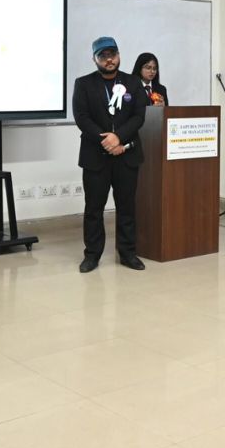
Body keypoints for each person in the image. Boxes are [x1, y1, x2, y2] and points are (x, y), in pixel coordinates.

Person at [73, 36, 146, 273]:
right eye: (103, 56)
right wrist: (106, 140)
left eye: (112, 54)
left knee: (127, 207)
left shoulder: (133, 82)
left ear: (118, 55)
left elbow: (139, 116)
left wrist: (119, 137)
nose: (109, 60)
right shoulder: (83, 84)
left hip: (126, 155)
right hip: (96, 156)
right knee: (94, 209)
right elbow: (82, 117)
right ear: (94, 59)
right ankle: (92, 255)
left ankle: (128, 253)